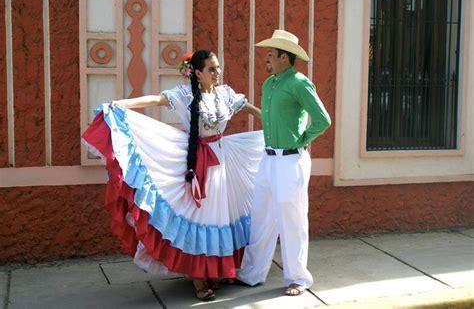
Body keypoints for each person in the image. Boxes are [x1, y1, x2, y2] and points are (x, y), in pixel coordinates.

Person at [81, 50, 263, 301]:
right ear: (197, 73)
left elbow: (251, 109)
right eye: (211, 69)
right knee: (201, 217)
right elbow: (156, 100)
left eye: (218, 67)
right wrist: (121, 104)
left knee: (222, 215)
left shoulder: (225, 95)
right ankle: (199, 278)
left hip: (224, 160)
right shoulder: (186, 95)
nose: (217, 72)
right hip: (197, 160)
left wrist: (276, 125)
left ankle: (218, 271)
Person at [237, 30, 331, 296]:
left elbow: (323, 119)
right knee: (261, 216)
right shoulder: (269, 84)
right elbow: (271, 121)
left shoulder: (300, 83)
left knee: (292, 220)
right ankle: (252, 274)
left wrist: (303, 139)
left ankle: (298, 278)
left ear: (284, 57)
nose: (265, 58)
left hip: (291, 161)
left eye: (270, 54)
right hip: (267, 160)